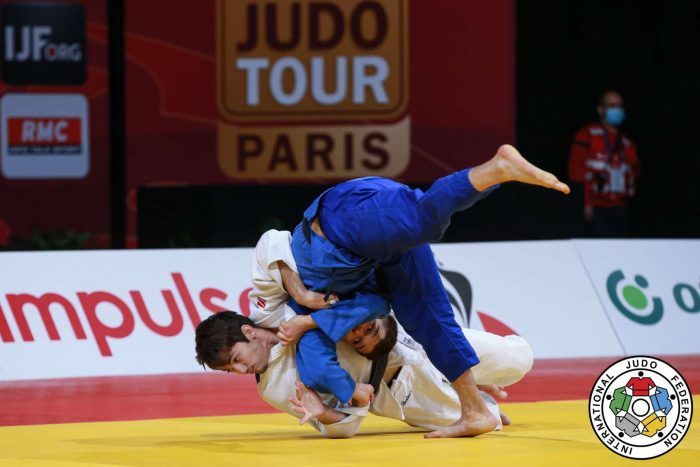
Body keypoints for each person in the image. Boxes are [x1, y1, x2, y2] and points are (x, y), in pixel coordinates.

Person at [274, 144, 568, 438]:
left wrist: (305, 312)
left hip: (338, 223)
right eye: (363, 338)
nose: (359, 332)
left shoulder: (295, 316)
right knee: (431, 320)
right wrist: (348, 383)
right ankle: (474, 410)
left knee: (420, 218)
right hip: (374, 257)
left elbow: (269, 245)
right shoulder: (352, 311)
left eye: (361, 335)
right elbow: (375, 306)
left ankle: (496, 169)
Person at [194, 311, 533, 438]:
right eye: (231, 371)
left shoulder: (278, 309)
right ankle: (474, 396)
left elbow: (274, 242)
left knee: (521, 361)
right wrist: (323, 414)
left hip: (412, 339)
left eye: (236, 359)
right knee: (490, 421)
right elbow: (347, 425)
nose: (241, 371)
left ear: (248, 331)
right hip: (400, 393)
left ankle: (466, 382)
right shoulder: (272, 389)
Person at [247, 229, 398, 407]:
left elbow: (319, 372)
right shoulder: (369, 294)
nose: (358, 331)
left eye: (357, 341)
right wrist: (301, 295)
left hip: (315, 239)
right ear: (380, 317)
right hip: (344, 231)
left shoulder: (313, 328)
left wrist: (350, 389)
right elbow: (380, 305)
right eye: (370, 328)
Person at [568, 90, 641, 237]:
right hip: (596, 207)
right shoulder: (587, 135)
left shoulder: (627, 143)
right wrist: (585, 203)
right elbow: (575, 172)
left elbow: (636, 171)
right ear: (601, 110)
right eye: (612, 106)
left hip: (621, 206)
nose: (617, 110)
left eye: (619, 106)